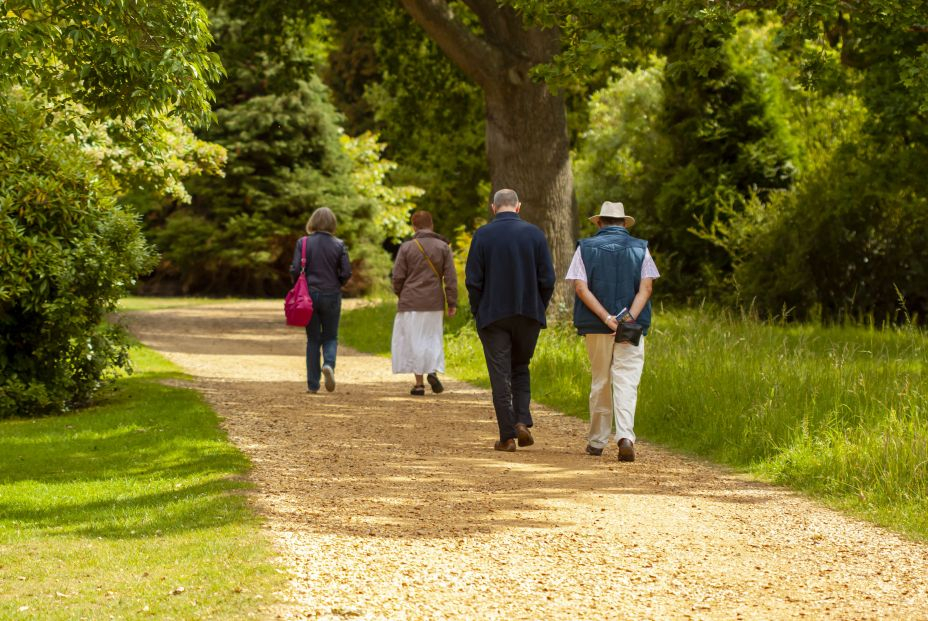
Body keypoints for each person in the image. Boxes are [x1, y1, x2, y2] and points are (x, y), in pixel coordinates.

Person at [566, 201, 659, 462]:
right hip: (632, 325)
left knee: (601, 380)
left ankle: (596, 441)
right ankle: (625, 436)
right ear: (624, 224)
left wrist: (607, 319)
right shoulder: (642, 248)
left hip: (597, 325)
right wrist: (628, 318)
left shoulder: (584, 248)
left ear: (599, 222)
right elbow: (647, 289)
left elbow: (581, 289)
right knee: (627, 379)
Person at [465, 189, 556, 452]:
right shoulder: (535, 234)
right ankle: (521, 421)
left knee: (499, 374)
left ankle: (507, 436)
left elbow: (473, 281)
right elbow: (547, 280)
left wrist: (477, 311)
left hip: (493, 315)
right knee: (520, 367)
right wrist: (539, 307)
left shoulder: (482, 235)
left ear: (493, 208)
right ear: (518, 207)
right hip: (528, 314)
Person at [391, 210, 458, 395]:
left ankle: (419, 385)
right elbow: (450, 278)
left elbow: (397, 277)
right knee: (431, 338)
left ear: (414, 226)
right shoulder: (443, 247)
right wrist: (451, 302)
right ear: (432, 225)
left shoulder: (406, 248)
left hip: (410, 301)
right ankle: (432, 371)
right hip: (434, 302)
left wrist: (401, 294)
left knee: (414, 340)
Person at [289, 207, 352, 394]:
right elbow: (346, 272)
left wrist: (298, 285)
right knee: (331, 336)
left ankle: (313, 384)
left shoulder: (304, 242)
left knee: (313, 339)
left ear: (312, 222)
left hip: (308, 295)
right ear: (333, 224)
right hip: (331, 294)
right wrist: (338, 283)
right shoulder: (339, 244)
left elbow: (294, 269)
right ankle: (329, 364)